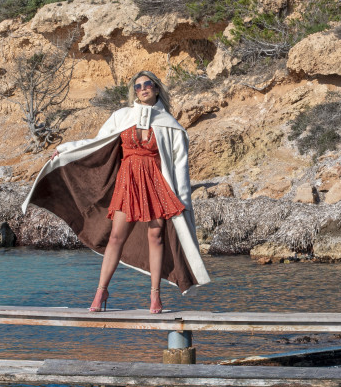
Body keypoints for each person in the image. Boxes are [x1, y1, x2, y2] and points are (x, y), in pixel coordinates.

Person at [22, 70, 210, 313]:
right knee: (115, 236)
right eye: (138, 85)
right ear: (135, 90)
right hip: (128, 182)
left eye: (148, 84)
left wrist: (183, 202)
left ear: (156, 88)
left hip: (156, 184)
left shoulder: (171, 126)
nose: (143, 88)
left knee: (156, 236)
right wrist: (65, 149)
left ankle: (155, 295)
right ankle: (101, 290)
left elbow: (180, 167)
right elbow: (96, 142)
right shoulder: (122, 116)